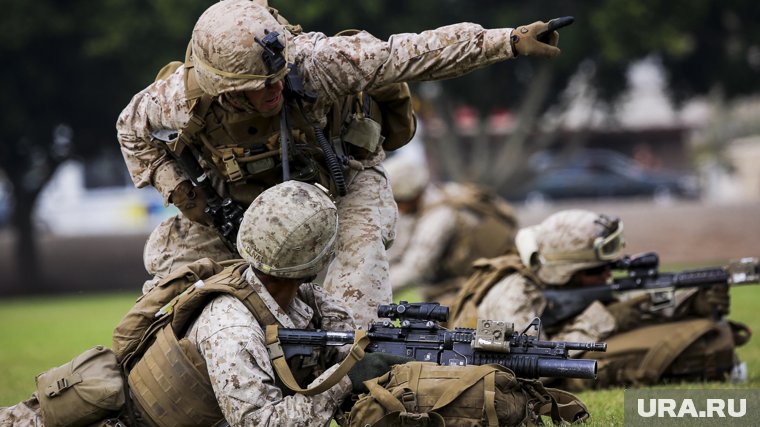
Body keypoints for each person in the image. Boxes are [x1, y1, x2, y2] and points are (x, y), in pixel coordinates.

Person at [116, 0, 564, 325]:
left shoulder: (317, 63)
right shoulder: (176, 98)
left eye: (276, 77)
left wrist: (507, 41)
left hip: (344, 182)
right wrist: (180, 190)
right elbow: (129, 129)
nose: (273, 90)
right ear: (223, 88)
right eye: (258, 85)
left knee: (356, 284)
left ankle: (357, 376)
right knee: (172, 282)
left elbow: (412, 53)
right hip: (234, 205)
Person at [0, 181, 409, 426]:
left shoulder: (299, 298)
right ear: (316, 259)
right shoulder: (231, 325)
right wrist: (342, 382)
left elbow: (347, 336)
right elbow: (258, 423)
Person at [449, 209, 748, 389]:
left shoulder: (553, 281)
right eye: (598, 269)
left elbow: (634, 301)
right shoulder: (512, 297)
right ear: (566, 272)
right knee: (629, 349)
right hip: (515, 376)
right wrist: (606, 318)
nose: (609, 275)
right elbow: (530, 368)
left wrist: (689, 301)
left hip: (553, 347)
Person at [384, 154, 518, 306]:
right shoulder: (441, 194)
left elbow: (415, 269)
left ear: (410, 196)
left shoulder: (439, 217)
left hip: (473, 287)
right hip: (469, 284)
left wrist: (373, 291)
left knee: (429, 320)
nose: (397, 208)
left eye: (397, 201)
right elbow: (397, 250)